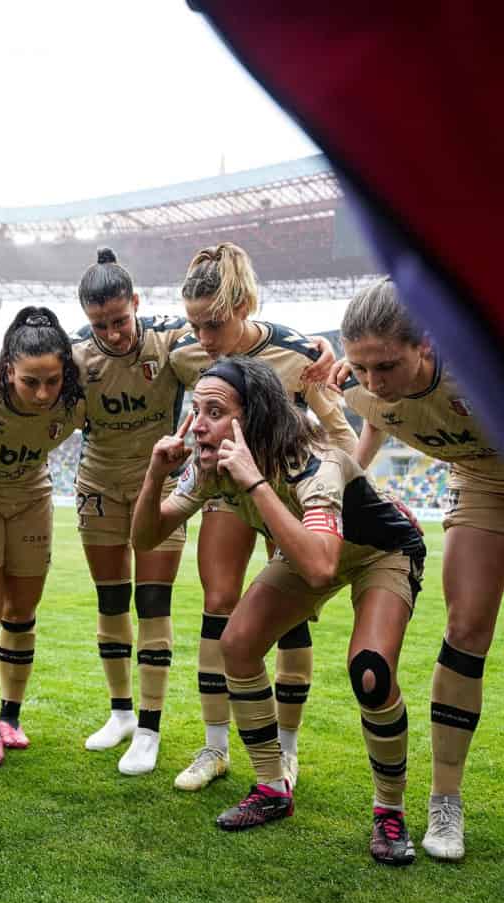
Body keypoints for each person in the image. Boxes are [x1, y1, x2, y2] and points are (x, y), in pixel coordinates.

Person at [132, 356, 425, 864]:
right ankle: (272, 787)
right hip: (311, 547)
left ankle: (389, 812)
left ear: (256, 416)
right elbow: (145, 537)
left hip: (382, 551)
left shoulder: (315, 461)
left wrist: (252, 482)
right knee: (238, 646)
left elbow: (320, 567)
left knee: (371, 673)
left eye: (214, 411)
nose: (199, 423)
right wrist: (155, 475)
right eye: (196, 410)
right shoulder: (214, 466)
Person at [337, 277, 504, 860]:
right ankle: (445, 802)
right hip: (479, 481)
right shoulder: (359, 386)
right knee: (466, 629)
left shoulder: (485, 361)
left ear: (425, 344)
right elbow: (374, 419)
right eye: (361, 367)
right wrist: (337, 491)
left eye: (386, 365)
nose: (373, 381)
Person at [167, 242, 353, 792]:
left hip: (284, 492)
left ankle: (287, 752)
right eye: (194, 324)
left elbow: (338, 433)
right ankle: (214, 748)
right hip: (224, 485)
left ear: (245, 305)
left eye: (214, 324)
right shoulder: (183, 352)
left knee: (288, 610)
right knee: (218, 601)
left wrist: (334, 486)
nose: (203, 338)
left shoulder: (300, 354)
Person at [0, 307, 87, 766]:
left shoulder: (76, 396)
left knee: (22, 613)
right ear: (8, 370)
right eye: (30, 382)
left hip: (33, 496)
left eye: (52, 380)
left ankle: (11, 716)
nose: (44, 393)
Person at [70, 249, 190, 775]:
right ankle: (119, 713)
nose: (114, 334)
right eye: (101, 324)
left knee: (153, 605)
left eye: (120, 320)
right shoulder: (75, 356)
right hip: (97, 482)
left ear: (136, 302)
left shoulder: (170, 341)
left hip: (159, 486)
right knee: (112, 601)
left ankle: (149, 727)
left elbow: (231, 343)